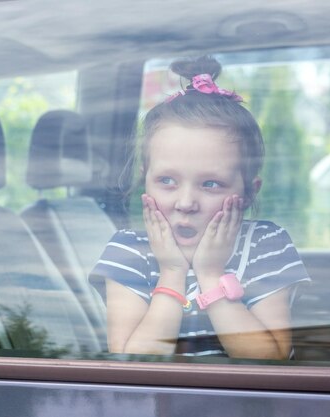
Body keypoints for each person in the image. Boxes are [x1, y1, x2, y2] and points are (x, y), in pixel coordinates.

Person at [89, 56, 310, 359]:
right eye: (167, 180)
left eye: (210, 184)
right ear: (145, 179)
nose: (185, 203)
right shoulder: (129, 251)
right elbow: (135, 362)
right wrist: (171, 271)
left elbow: (270, 359)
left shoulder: (265, 245)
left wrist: (210, 274)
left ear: (247, 193)